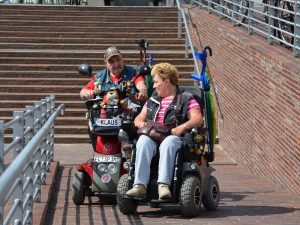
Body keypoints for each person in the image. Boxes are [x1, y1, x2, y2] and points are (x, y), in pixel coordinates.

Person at [126, 63, 203, 200]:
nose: (154, 86)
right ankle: (140, 186)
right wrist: (139, 122)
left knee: (169, 142)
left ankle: (163, 186)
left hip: (174, 137)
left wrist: (182, 126)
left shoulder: (186, 98)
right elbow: (139, 118)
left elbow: (198, 119)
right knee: (143, 141)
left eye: (156, 82)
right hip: (153, 136)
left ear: (167, 81)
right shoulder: (153, 99)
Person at [80, 46, 148, 101]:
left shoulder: (133, 72)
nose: (116, 64)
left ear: (122, 59)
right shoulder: (99, 77)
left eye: (118, 59)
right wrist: (87, 93)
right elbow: (83, 92)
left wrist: (142, 92)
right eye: (111, 62)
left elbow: (141, 84)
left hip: (131, 114)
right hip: (105, 114)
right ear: (106, 63)